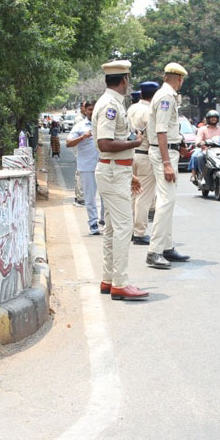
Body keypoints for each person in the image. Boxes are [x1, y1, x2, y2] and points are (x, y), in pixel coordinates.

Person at [92, 60, 148, 301]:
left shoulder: (111, 103)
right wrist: (135, 143)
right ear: (124, 80)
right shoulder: (110, 106)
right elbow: (104, 144)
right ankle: (120, 282)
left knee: (113, 228)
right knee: (124, 227)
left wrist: (130, 171)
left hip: (116, 170)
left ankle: (109, 279)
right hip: (113, 171)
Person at [146, 63, 191, 269]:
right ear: (177, 78)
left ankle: (166, 246)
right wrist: (166, 162)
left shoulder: (168, 96)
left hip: (168, 151)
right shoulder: (165, 97)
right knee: (165, 201)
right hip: (163, 153)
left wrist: (179, 144)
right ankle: (154, 251)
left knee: (169, 201)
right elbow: (161, 130)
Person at [127, 81, 159, 246]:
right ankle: (139, 233)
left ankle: (132, 230)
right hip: (145, 154)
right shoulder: (150, 111)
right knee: (143, 196)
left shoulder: (132, 109)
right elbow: (154, 136)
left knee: (133, 194)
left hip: (131, 153)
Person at [66, 100, 104, 234]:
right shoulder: (80, 126)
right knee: (90, 197)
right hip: (87, 166)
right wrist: (83, 137)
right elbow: (68, 143)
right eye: (90, 109)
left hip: (104, 165)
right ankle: (93, 223)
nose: (92, 112)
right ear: (85, 110)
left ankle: (104, 221)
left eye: (95, 109)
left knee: (106, 195)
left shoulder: (104, 124)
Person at [189, 109, 220, 183]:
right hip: (206, 150)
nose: (213, 119)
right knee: (198, 157)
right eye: (211, 117)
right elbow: (198, 139)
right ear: (208, 119)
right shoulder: (202, 129)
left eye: (215, 117)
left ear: (217, 119)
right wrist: (200, 142)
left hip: (219, 151)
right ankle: (202, 175)